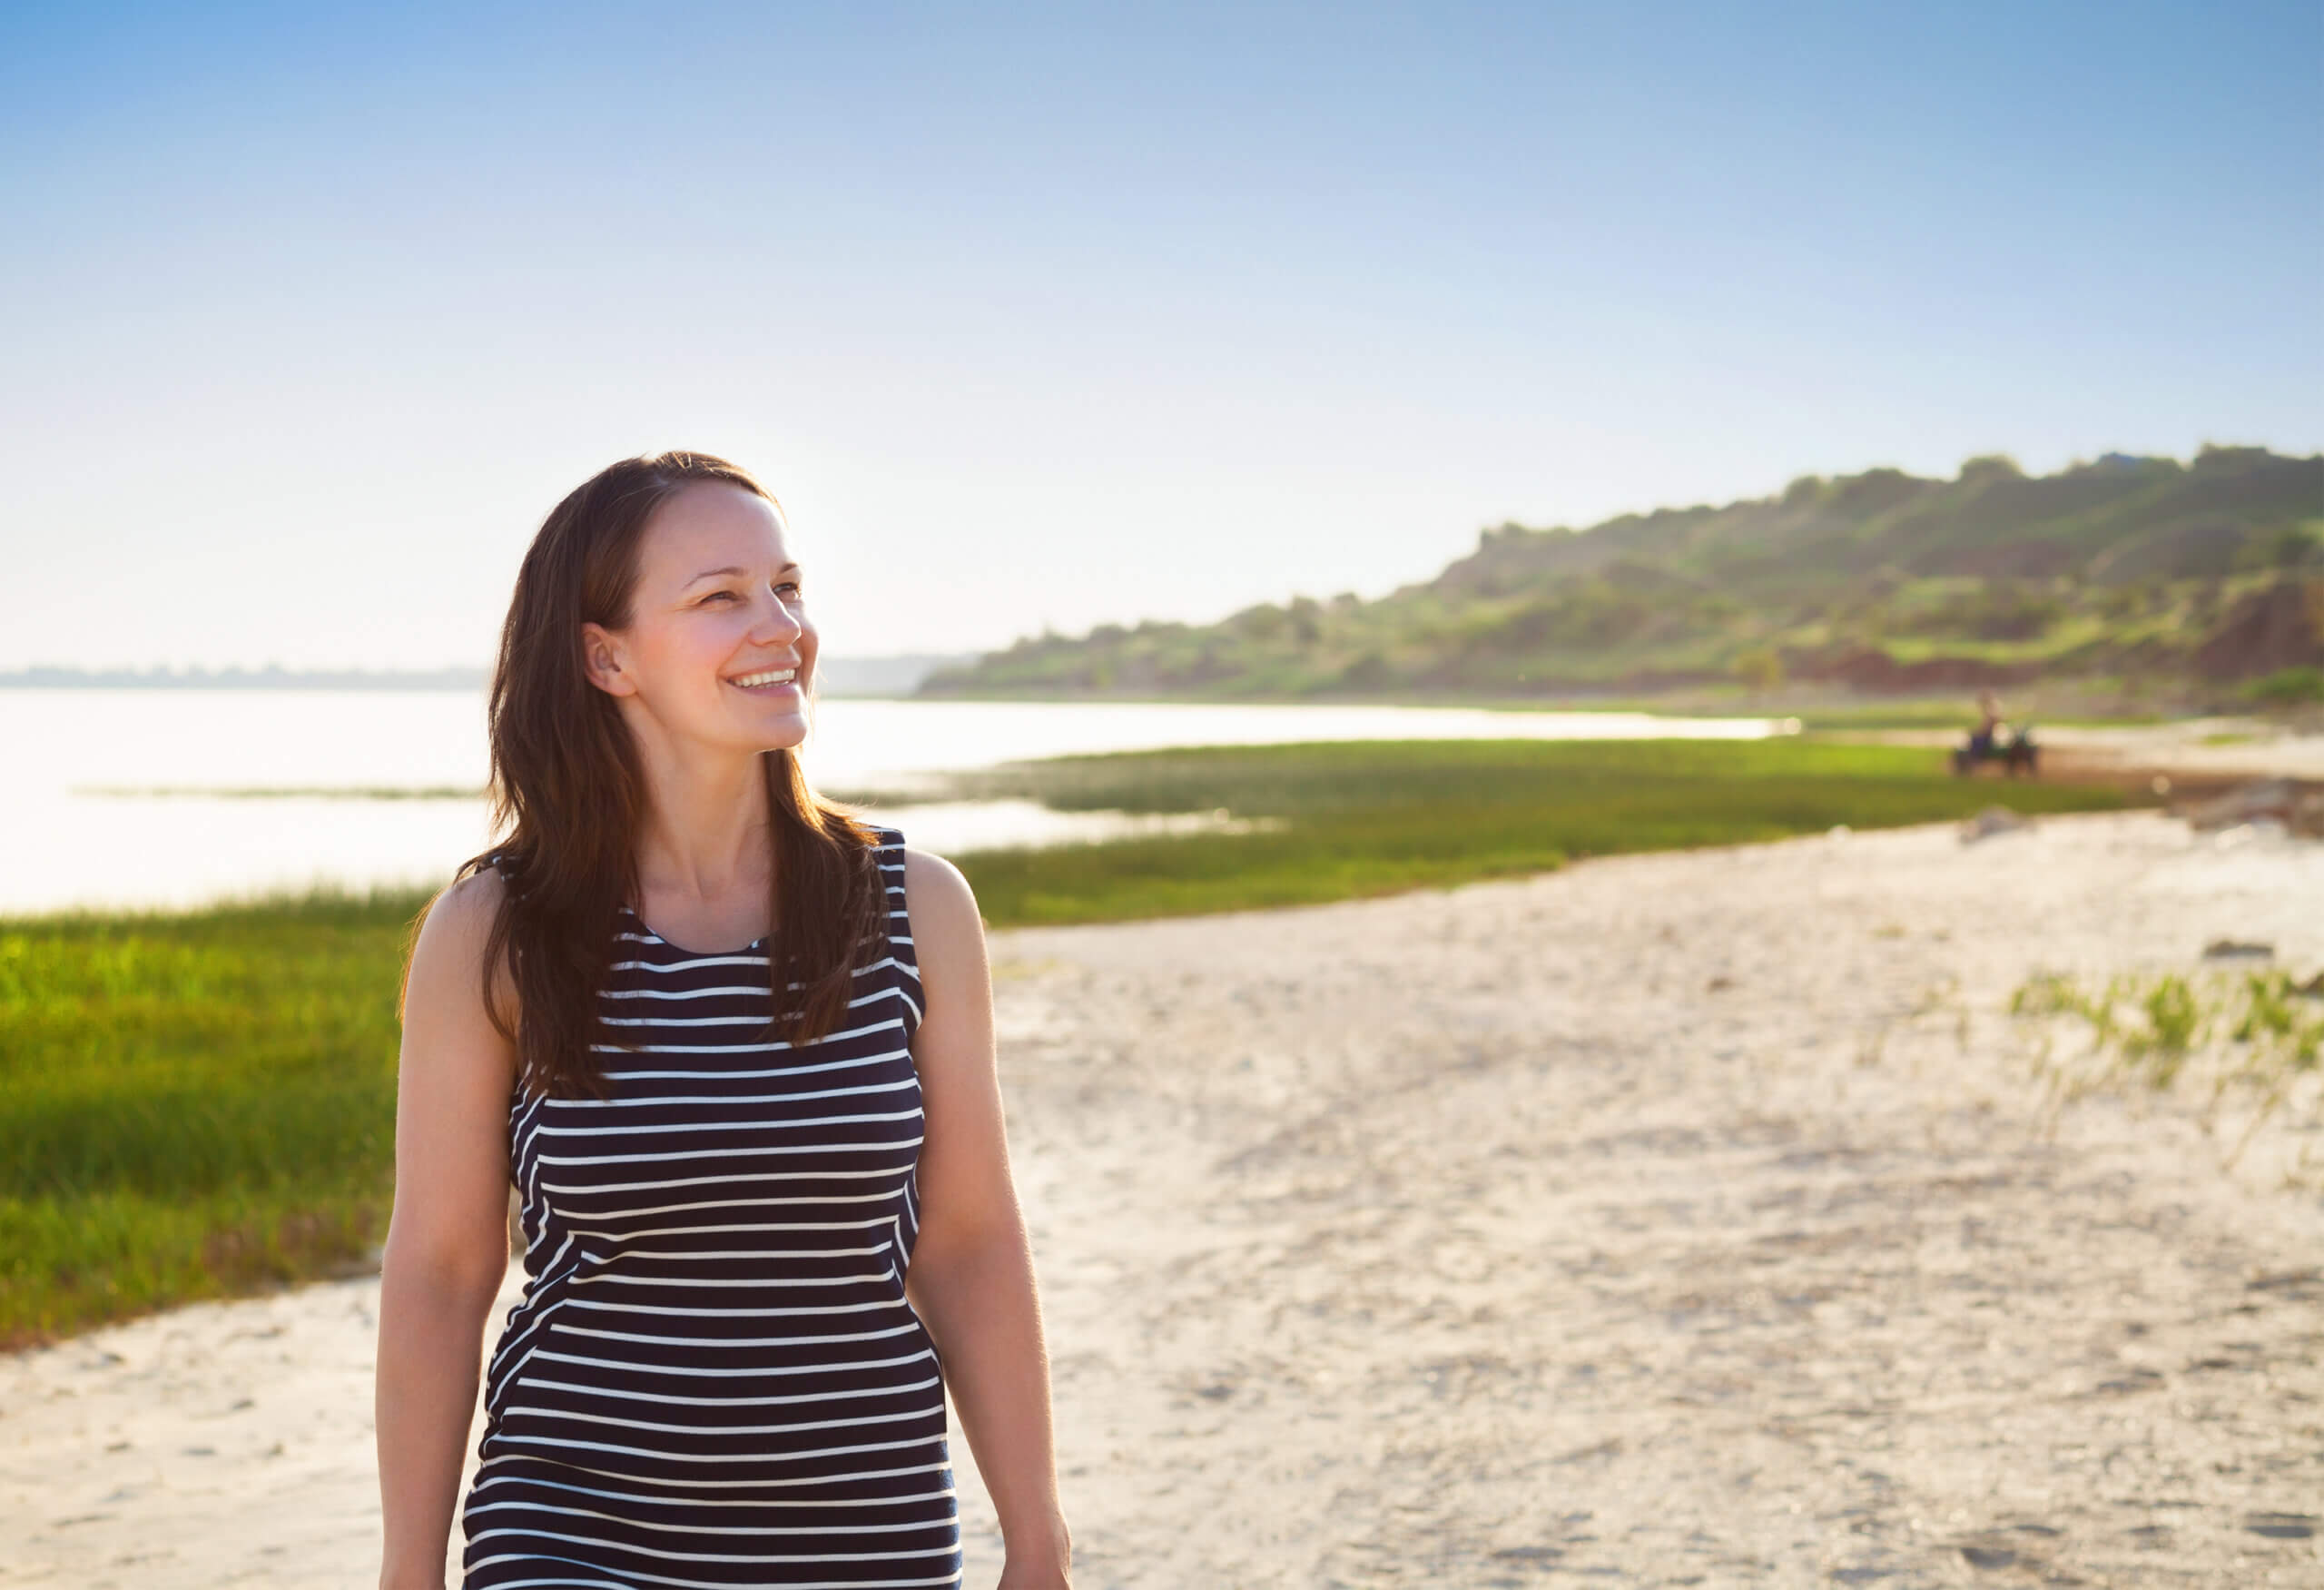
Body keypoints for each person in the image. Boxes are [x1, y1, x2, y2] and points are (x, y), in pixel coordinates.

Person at [377, 453, 1070, 1589]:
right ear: (607, 655)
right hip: (572, 1527)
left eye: (788, 587)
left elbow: (969, 1242)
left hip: (864, 1534)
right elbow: (444, 1271)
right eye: (721, 597)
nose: (780, 626)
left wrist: (1037, 1535)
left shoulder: (912, 905)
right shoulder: (494, 928)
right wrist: (410, 1572)